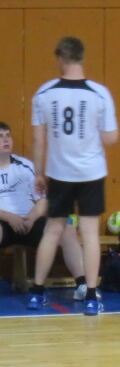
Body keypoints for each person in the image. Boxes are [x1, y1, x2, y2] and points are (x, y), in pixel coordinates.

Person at [29, 36, 118, 315]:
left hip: (59, 173)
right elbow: (111, 137)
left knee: (52, 230)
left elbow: (38, 139)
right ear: (82, 57)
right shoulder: (99, 93)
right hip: (91, 172)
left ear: (59, 58)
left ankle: (36, 292)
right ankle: (91, 296)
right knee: (89, 233)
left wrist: (39, 173)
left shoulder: (44, 93)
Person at [0, 122, 89, 298]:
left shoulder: (25, 166)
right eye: (0, 137)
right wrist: (9, 217)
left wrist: (31, 218)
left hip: (28, 221)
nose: (6, 140)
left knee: (66, 228)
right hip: (3, 222)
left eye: (8, 136)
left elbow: (43, 200)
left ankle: (83, 286)